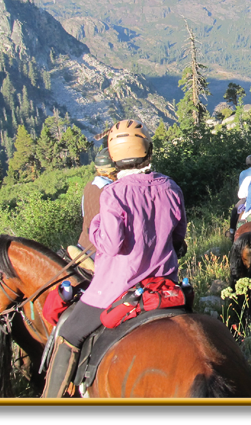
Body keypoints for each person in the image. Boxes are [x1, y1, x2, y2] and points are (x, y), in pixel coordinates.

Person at [43, 120, 186, 399]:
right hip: (165, 285)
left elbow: (110, 244)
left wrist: (95, 227)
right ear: (149, 151)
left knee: (69, 333)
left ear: (113, 158)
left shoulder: (113, 194)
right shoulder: (170, 187)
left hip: (117, 289)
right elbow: (178, 238)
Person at [77, 144, 117, 253]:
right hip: (101, 250)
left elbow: (85, 215)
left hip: (83, 244)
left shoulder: (88, 187)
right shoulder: (112, 191)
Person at [229, 155, 251, 235]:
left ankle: (232, 230)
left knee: (234, 211)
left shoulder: (242, 173)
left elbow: (241, 187)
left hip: (245, 198)